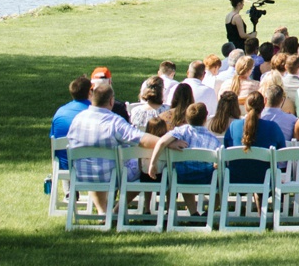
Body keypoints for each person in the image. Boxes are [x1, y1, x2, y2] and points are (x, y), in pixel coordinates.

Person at [67, 82, 157, 213]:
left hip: (81, 174)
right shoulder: (114, 121)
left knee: (97, 165)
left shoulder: (77, 119)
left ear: (92, 99)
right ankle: (117, 210)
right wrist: (165, 141)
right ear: (111, 101)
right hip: (110, 176)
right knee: (145, 167)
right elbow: (141, 139)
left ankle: (103, 212)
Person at [149, 102, 222, 215]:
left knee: (183, 169)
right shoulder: (212, 139)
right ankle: (209, 212)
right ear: (205, 118)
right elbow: (220, 161)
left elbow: (161, 142)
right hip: (206, 178)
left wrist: (152, 163)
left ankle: (193, 213)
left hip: (183, 177)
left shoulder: (181, 131)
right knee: (223, 180)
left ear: (186, 118)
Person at [223, 91, 286, 191]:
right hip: (266, 179)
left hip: (236, 177)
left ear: (245, 105)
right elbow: (282, 154)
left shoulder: (234, 126)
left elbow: (226, 150)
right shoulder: (273, 127)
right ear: (264, 105)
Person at [51, 76, 91, 168]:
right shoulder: (95, 113)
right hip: (87, 168)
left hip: (63, 166)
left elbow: (54, 138)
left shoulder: (60, 112)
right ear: (90, 92)